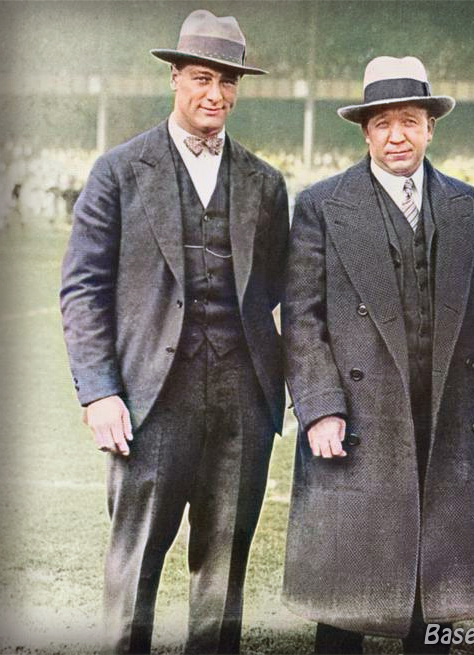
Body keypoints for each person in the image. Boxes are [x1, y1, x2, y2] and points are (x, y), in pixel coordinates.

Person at [59, 10, 288, 654]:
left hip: (243, 402)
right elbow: (82, 289)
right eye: (202, 78)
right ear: (175, 79)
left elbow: (275, 289)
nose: (215, 94)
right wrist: (99, 391)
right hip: (149, 401)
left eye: (227, 81)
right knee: (135, 564)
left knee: (224, 569)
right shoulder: (118, 171)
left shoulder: (266, 183)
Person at [281, 56, 474, 654]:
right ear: (365, 131)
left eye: (410, 121)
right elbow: (302, 318)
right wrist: (320, 407)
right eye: (384, 123)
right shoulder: (322, 204)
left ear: (430, 128)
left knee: (434, 587)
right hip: (358, 418)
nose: (397, 136)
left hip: (446, 412)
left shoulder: (464, 203)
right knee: (345, 591)